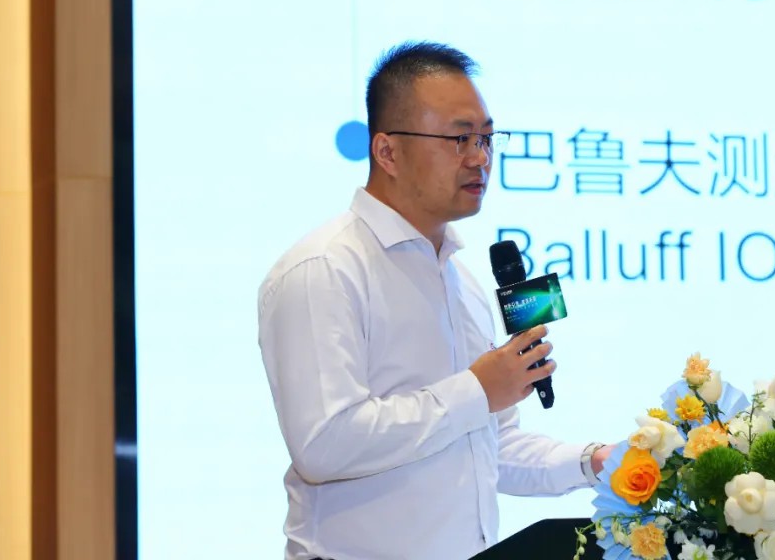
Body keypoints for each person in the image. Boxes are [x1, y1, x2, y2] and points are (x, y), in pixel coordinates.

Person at [257, 42, 611, 560]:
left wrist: (596, 462)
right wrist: (476, 389)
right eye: (459, 138)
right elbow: (324, 445)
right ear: (387, 152)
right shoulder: (324, 270)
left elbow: (489, 448)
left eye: (486, 138)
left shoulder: (462, 284)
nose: (480, 158)